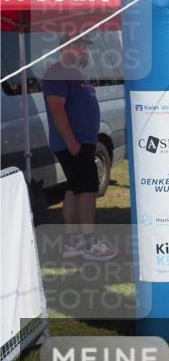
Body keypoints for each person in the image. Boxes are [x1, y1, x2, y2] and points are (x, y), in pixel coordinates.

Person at [43, 35, 118, 261]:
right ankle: (89, 243)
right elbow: (57, 109)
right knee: (87, 191)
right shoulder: (57, 72)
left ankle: (74, 244)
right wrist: (72, 142)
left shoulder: (76, 74)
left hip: (82, 142)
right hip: (73, 144)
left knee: (75, 189)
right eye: (82, 47)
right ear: (67, 48)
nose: (86, 51)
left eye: (86, 47)